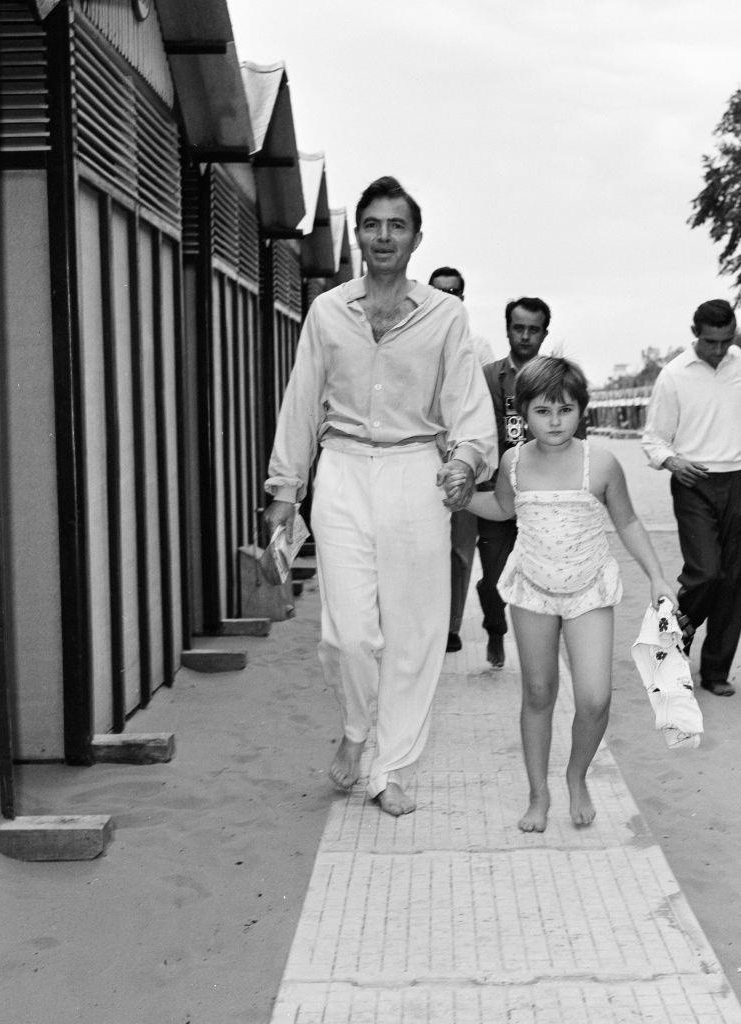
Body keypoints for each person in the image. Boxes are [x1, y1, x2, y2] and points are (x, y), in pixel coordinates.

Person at [263, 176, 496, 817]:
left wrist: (465, 462)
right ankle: (358, 730)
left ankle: (389, 769)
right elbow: (302, 401)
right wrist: (286, 489)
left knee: (415, 632)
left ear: (416, 238)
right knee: (348, 636)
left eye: (397, 225)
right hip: (340, 471)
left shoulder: (446, 316)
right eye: (373, 224)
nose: (384, 236)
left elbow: (468, 407)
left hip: (415, 474)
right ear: (359, 234)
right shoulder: (327, 311)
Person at [460, 356, 674, 831]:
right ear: (523, 414)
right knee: (538, 691)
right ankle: (539, 794)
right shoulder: (514, 462)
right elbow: (499, 507)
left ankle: (577, 775)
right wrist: (457, 498)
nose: (554, 421)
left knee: (595, 698)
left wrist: (658, 577)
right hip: (533, 589)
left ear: (582, 410)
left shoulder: (601, 463)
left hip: (589, 589)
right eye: (542, 411)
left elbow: (629, 522)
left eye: (565, 409)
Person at [642, 299, 741, 698]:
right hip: (694, 481)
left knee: (735, 581)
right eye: (710, 341)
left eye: (726, 341)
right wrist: (672, 462)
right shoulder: (673, 375)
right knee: (706, 572)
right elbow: (653, 439)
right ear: (694, 333)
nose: (719, 350)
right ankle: (673, 636)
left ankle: (716, 670)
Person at [475, 296, 565, 669]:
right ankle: (495, 628)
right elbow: (479, 431)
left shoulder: (559, 377)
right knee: (495, 579)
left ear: (545, 332)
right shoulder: (488, 377)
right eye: (518, 328)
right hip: (499, 492)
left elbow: (577, 431)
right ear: (508, 329)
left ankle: (541, 654)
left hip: (545, 496)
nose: (525, 336)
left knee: (546, 579)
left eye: (534, 329)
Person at [427, 266, 495, 654]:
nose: (447, 297)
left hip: (462, 461)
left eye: (454, 292)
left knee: (459, 549)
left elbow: (481, 409)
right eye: (439, 291)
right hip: (419, 458)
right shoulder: (410, 338)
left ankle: (451, 626)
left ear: (463, 298)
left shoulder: (477, 346)